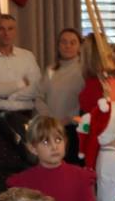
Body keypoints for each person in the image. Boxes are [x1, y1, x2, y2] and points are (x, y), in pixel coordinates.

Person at [0, 14, 41, 117]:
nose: (6, 33)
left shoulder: (28, 56)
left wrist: (11, 96)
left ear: (15, 31)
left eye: (10, 29)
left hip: (26, 114)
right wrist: (23, 83)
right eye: (1, 29)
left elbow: (36, 88)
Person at [36, 28, 84, 162]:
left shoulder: (84, 71)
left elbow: (86, 105)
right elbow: (39, 97)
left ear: (79, 47)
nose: (68, 46)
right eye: (64, 42)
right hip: (50, 128)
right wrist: (50, 119)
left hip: (74, 130)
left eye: (72, 42)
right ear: (58, 45)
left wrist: (70, 119)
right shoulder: (50, 70)